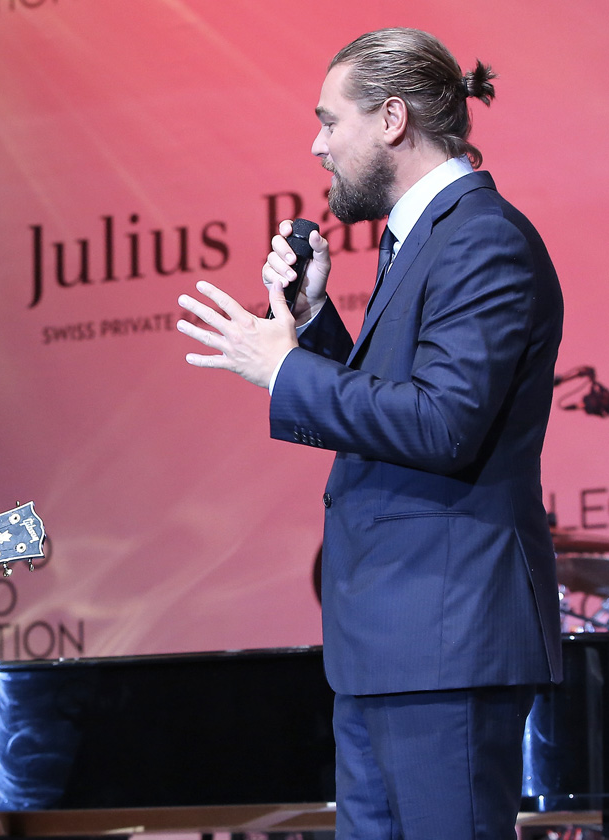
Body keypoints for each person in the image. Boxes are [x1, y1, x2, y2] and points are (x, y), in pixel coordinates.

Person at [175, 28, 562, 840]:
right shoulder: (424, 242)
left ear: (392, 119)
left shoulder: (482, 237)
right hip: (391, 646)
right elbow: (394, 406)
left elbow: (443, 423)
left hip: (445, 640)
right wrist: (314, 322)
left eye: (328, 121)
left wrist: (281, 370)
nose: (316, 147)